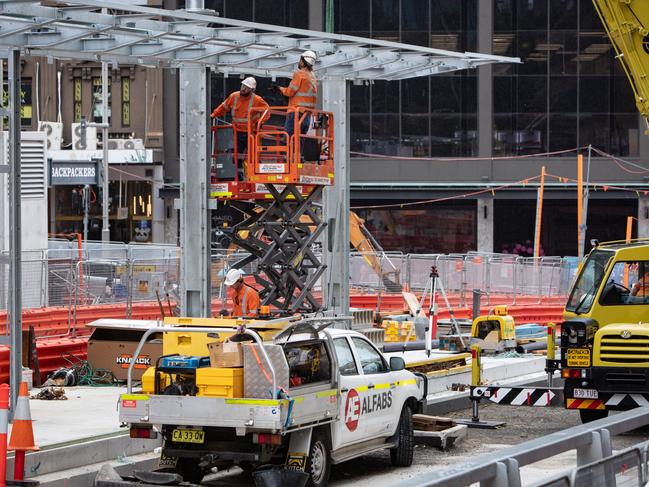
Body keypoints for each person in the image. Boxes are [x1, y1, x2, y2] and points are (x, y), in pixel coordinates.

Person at [211, 77, 270, 169]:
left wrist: (260, 122)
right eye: (243, 86)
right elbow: (223, 108)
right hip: (236, 132)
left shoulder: (257, 100)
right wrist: (212, 116)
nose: (243, 88)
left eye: (247, 87)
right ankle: (239, 174)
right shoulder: (234, 96)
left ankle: (258, 173)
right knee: (236, 155)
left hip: (251, 132)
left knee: (254, 155)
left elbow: (267, 111)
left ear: (252, 89)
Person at [271, 50, 317, 138]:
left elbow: (289, 92)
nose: (299, 62)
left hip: (296, 112)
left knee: (289, 138)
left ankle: (288, 151)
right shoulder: (312, 76)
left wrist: (279, 88)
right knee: (300, 140)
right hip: (307, 115)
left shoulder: (300, 74)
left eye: (300, 60)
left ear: (304, 62)